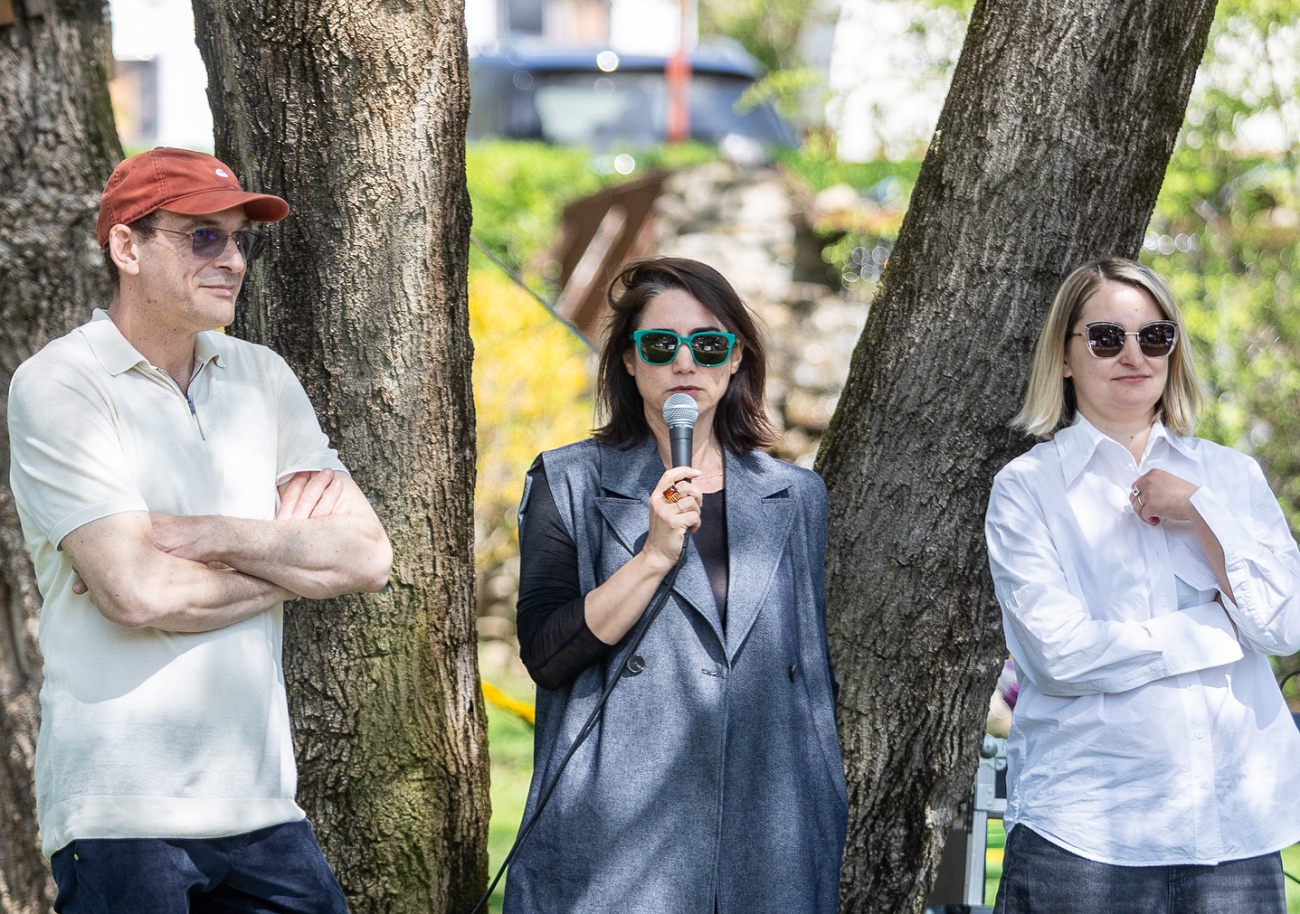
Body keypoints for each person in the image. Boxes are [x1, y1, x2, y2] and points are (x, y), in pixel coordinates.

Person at [8, 147, 393, 913]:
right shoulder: (61, 382)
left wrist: (206, 533)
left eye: (239, 239)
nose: (233, 260)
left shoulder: (262, 376)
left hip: (262, 805)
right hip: (120, 811)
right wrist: (289, 564)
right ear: (127, 247)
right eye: (203, 237)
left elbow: (367, 556)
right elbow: (137, 592)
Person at [503, 258, 847, 913]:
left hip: (768, 835)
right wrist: (654, 555)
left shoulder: (796, 496)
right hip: (615, 837)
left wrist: (821, 802)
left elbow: (805, 677)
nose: (685, 363)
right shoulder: (569, 480)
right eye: (661, 345)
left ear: (736, 357)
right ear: (629, 362)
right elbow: (546, 656)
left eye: (708, 344)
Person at [985, 257, 1300, 914]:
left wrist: (1201, 511)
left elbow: (1285, 625)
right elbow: (1060, 655)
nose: (1134, 354)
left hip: (1233, 827)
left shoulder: (1229, 476)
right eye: (1107, 337)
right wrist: (1214, 630)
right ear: (1066, 357)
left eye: (1154, 336)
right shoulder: (1028, 489)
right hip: (1087, 831)